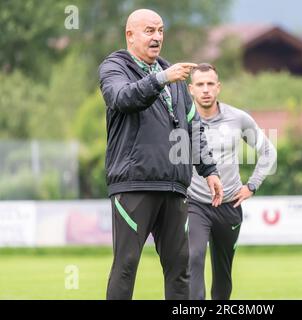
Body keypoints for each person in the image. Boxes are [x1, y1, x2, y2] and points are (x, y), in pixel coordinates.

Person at [98, 9, 223, 300]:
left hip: (174, 187)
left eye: (161, 30)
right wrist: (161, 79)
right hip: (134, 184)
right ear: (130, 35)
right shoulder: (115, 67)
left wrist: (209, 170)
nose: (157, 37)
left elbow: (192, 129)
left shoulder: (174, 77)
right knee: (126, 266)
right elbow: (122, 99)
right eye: (149, 31)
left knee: (181, 270)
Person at [187, 63, 277, 300]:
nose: (205, 89)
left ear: (218, 87)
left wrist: (252, 185)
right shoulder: (181, 121)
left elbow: (269, 152)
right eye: (200, 84)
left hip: (229, 206)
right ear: (190, 90)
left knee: (223, 272)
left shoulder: (238, 119)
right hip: (194, 204)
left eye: (209, 84)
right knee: (193, 257)